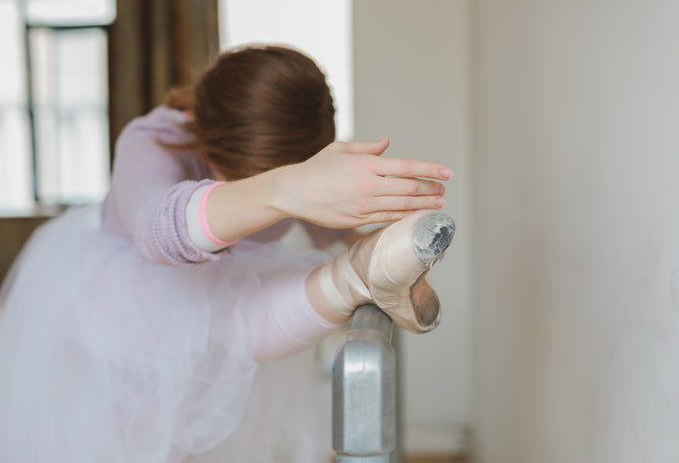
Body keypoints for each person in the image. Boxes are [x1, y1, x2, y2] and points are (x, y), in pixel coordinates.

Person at [0, 45, 455, 463]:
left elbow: (330, 232)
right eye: (251, 176)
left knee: (240, 324)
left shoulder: (297, 152)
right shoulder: (154, 139)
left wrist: (399, 252)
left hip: (212, 293)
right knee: (230, 319)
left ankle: (364, 271)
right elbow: (157, 233)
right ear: (205, 138)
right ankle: (352, 278)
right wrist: (286, 188)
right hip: (120, 296)